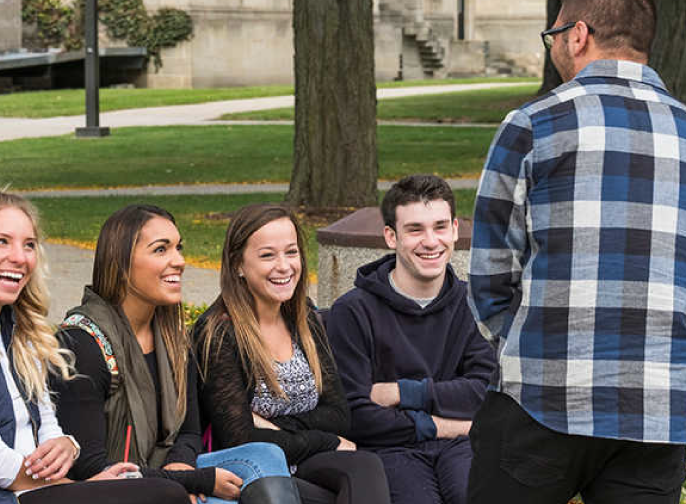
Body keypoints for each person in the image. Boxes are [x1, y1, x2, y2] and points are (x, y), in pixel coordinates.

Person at [468, 0, 686, 502]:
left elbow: (490, 272)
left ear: (578, 34)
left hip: (543, 395)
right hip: (657, 406)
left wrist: (524, 346)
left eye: (554, 37)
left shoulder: (534, 124)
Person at [0, 183, 186, 504]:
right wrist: (77, 486)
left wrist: (66, 445)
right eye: (2, 241)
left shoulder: (21, 334)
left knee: (143, 485)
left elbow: (49, 428)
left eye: (29, 245)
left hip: (38, 491)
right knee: (163, 493)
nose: (19, 257)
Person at [51, 203, 300, 504]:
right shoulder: (82, 343)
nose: (179, 261)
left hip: (165, 476)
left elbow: (190, 432)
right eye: (161, 250)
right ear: (120, 263)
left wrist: (180, 468)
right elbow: (90, 468)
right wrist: (191, 480)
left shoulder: (173, 338)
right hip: (115, 489)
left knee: (264, 455)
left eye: (178, 248)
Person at [192, 204, 391, 504]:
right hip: (253, 474)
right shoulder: (219, 333)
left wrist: (275, 426)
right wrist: (325, 439)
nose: (284, 266)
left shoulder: (304, 317)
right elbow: (241, 439)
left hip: (304, 459)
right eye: (268, 255)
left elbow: (339, 415)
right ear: (238, 265)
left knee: (365, 467)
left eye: (291, 252)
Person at [324, 175, 496, 504]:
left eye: (440, 227)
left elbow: (485, 393)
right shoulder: (353, 312)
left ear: (455, 230)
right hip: (388, 450)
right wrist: (444, 425)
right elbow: (354, 414)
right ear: (391, 236)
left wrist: (401, 392)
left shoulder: (473, 304)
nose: (431, 241)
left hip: (462, 449)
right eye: (415, 229)